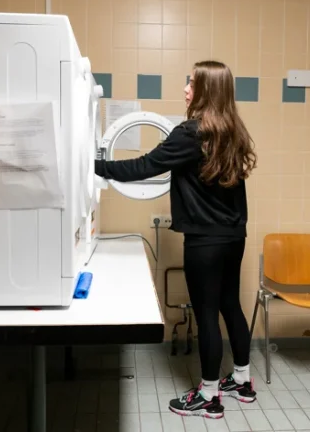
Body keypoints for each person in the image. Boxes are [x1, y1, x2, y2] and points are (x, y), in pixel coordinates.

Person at [94, 60, 257, 419]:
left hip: (204, 240)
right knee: (230, 305)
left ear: (207, 91)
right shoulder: (233, 131)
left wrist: (97, 166)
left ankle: (210, 396)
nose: (185, 89)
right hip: (233, 236)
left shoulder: (191, 133)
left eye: (192, 83)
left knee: (206, 314)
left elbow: (145, 166)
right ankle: (242, 382)